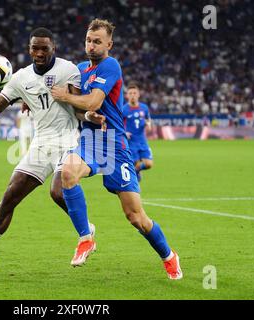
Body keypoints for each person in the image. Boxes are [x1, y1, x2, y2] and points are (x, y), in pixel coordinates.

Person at [0, 27, 105, 281]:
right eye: (35, 48)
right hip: (41, 145)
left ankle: (85, 230)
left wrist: (88, 116)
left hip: (68, 141)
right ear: (29, 49)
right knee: (9, 198)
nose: (39, 53)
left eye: (45, 48)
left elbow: (76, 107)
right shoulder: (20, 78)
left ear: (53, 48)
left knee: (57, 191)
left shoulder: (68, 70)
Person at [51, 19, 182, 279]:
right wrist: (87, 117)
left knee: (135, 216)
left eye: (97, 41)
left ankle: (169, 256)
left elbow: (93, 100)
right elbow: (80, 110)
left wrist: (67, 97)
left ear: (109, 44)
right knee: (68, 173)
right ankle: (86, 238)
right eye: (88, 40)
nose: (91, 45)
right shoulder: (79, 69)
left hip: (115, 146)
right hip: (90, 140)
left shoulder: (110, 65)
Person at [122, 82, 153, 182]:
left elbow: (148, 119)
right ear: (127, 96)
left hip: (142, 141)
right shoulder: (123, 110)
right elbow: (118, 126)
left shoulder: (144, 108)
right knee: (136, 168)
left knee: (149, 164)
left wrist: (148, 124)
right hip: (131, 143)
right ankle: (136, 192)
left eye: (134, 93)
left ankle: (135, 171)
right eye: (130, 93)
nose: (132, 95)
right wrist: (124, 133)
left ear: (138, 94)